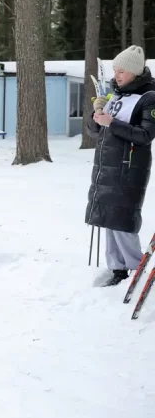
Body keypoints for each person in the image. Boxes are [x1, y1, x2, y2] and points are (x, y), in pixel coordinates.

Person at [86, 45, 155, 287]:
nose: (117, 75)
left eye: (122, 71)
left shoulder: (149, 97)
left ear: (136, 72)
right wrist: (96, 116)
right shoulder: (116, 95)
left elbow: (146, 135)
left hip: (129, 167)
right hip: (107, 166)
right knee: (108, 216)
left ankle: (136, 267)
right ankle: (117, 268)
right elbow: (95, 131)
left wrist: (111, 122)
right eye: (115, 70)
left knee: (123, 218)